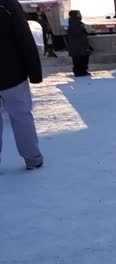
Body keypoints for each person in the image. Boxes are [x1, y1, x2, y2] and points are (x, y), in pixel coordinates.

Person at [0, 0, 44, 170]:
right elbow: (24, 38)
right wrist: (34, 73)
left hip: (13, 73)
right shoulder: (8, 5)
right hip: (12, 74)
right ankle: (33, 158)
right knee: (21, 117)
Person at [68, 10, 92, 77]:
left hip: (80, 45)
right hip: (78, 46)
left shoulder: (77, 23)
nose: (80, 15)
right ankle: (80, 72)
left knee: (82, 58)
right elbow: (78, 34)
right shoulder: (75, 24)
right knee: (79, 59)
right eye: (79, 14)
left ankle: (83, 71)